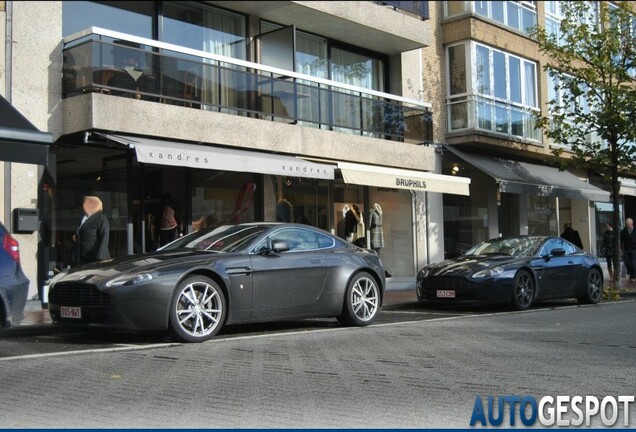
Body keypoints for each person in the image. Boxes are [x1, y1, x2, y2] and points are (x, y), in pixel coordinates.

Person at [72, 196, 110, 267]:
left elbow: (104, 237)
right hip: (81, 258)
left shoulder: (101, 218)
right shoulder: (83, 218)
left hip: (94, 258)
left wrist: (100, 258)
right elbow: (82, 233)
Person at [620, 217, 636, 283]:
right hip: (626, 249)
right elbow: (621, 240)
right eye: (626, 224)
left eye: (628, 224)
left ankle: (632, 276)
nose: (627, 225)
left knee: (634, 263)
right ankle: (632, 274)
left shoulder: (635, 231)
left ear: (632, 224)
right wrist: (620, 248)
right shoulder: (623, 231)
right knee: (627, 263)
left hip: (634, 249)